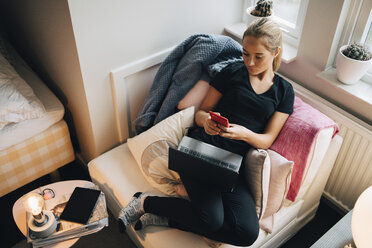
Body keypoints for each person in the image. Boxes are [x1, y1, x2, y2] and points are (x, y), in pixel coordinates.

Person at [117, 18, 294, 247]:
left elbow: (268, 139)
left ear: (275, 53)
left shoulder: (284, 91)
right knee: (211, 221)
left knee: (248, 233)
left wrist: (244, 135)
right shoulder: (232, 71)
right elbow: (201, 112)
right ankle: (145, 203)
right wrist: (207, 121)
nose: (249, 62)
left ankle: (169, 217)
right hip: (200, 151)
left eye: (258, 56)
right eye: (245, 53)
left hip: (231, 165)